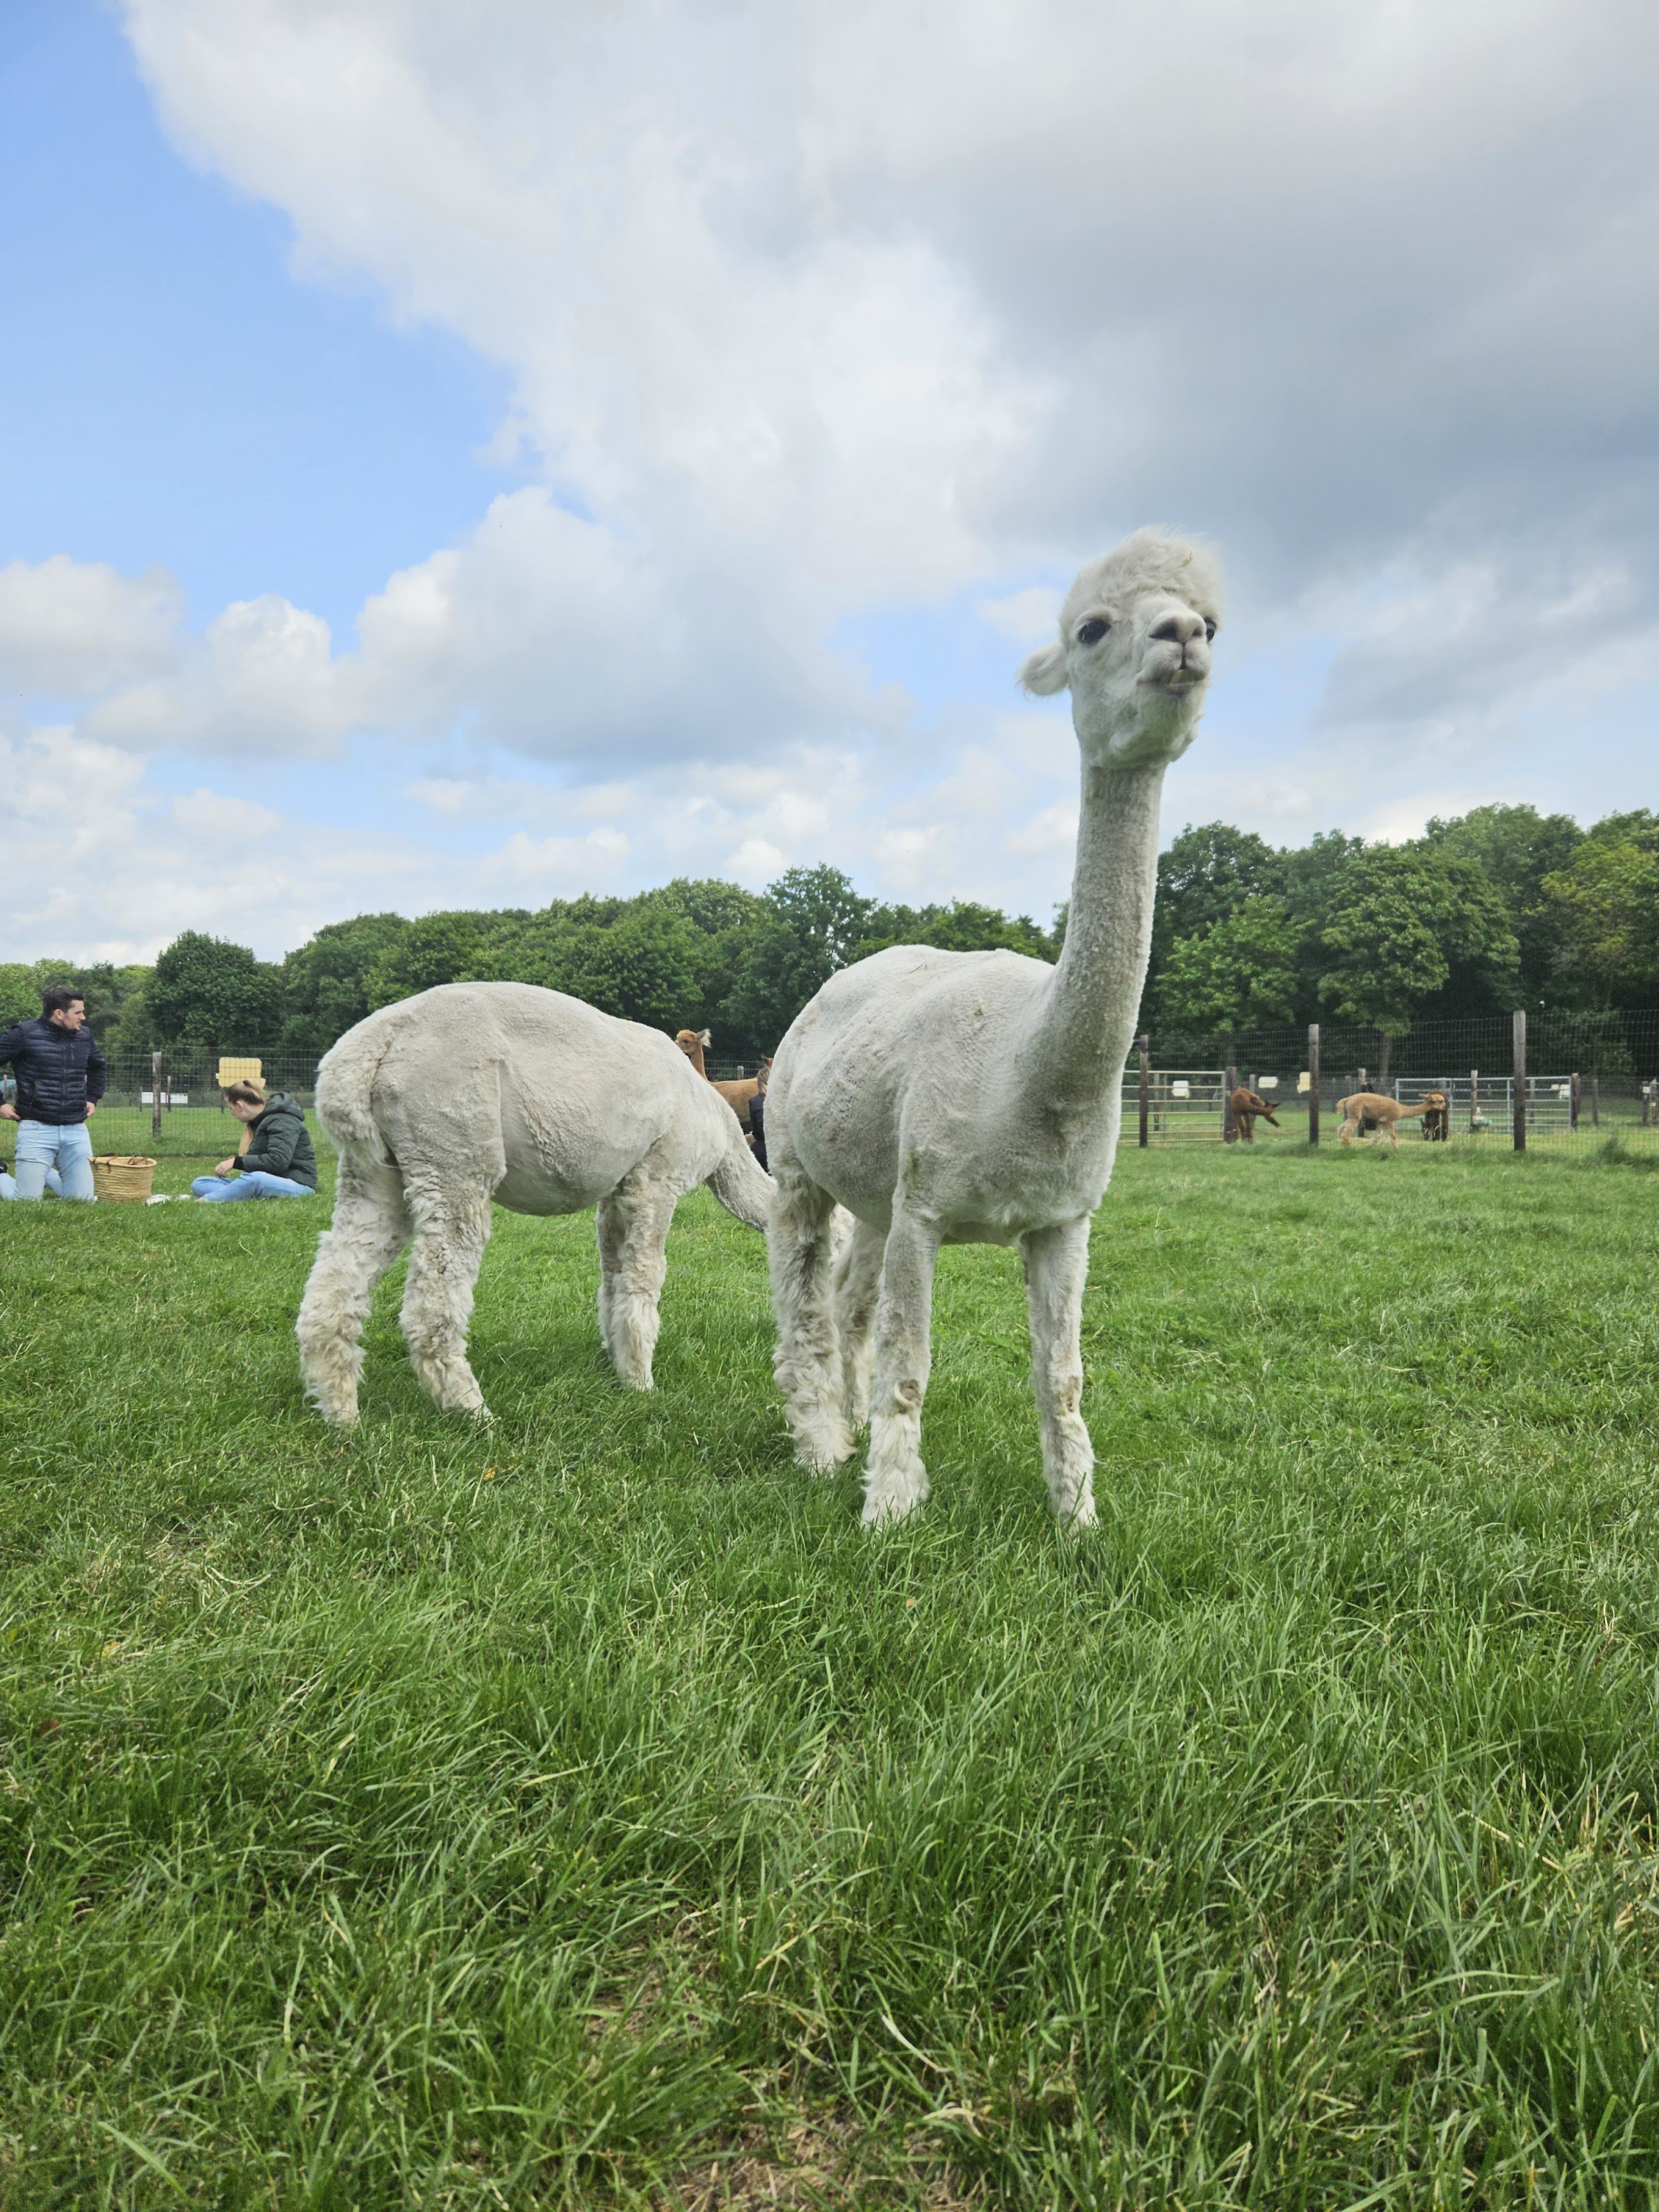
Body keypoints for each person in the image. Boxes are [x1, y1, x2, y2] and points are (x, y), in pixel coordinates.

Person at [0, 986, 104, 1200]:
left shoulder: (85, 1036)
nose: (83, 1018)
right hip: (36, 1129)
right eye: (78, 1012)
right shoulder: (24, 1034)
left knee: (82, 1201)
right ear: (59, 1013)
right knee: (26, 1202)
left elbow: (97, 1067)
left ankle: (42, 1172)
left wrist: (92, 1097)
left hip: (76, 1130)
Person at [191, 1081, 318, 1201]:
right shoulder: (259, 1121)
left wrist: (237, 1162)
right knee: (200, 1183)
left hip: (298, 1185)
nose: (232, 1113)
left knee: (255, 1179)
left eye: (231, 1108)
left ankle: (209, 1200)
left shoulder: (283, 1120)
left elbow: (279, 1161)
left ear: (240, 1106)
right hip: (268, 1182)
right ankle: (238, 1194)